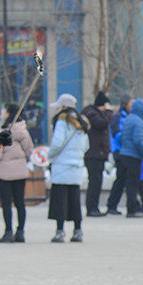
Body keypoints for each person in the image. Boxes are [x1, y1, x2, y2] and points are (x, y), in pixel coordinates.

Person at [46, 94, 89, 243]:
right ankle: (77, 231)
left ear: (64, 107)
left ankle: (60, 231)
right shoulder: (82, 123)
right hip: (76, 167)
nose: (57, 109)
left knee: (59, 200)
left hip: (62, 166)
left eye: (58, 106)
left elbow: (57, 143)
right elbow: (86, 146)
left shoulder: (62, 121)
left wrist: (50, 156)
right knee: (75, 200)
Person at [0, 105, 32, 243]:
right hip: (20, 171)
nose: (1, 112)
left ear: (8, 113)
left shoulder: (2, 131)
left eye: (3, 110)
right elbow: (29, 149)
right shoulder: (23, 130)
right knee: (20, 202)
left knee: (6, 203)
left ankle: (8, 232)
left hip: (4, 172)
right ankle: (20, 232)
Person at [81, 92, 115, 217]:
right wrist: (108, 112)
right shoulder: (92, 114)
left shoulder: (93, 113)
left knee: (96, 181)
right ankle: (92, 208)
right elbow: (103, 124)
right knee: (94, 182)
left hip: (97, 154)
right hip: (94, 154)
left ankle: (93, 207)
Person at [118, 98, 143, 218]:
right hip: (133, 156)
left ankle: (132, 207)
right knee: (133, 184)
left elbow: (122, 137)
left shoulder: (128, 119)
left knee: (129, 183)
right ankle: (132, 209)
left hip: (125, 154)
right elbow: (138, 140)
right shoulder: (137, 121)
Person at [104, 94, 132, 215]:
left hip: (125, 151)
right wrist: (129, 138)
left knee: (122, 178)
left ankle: (112, 204)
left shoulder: (127, 116)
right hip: (120, 151)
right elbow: (117, 134)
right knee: (120, 179)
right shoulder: (118, 117)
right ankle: (112, 204)